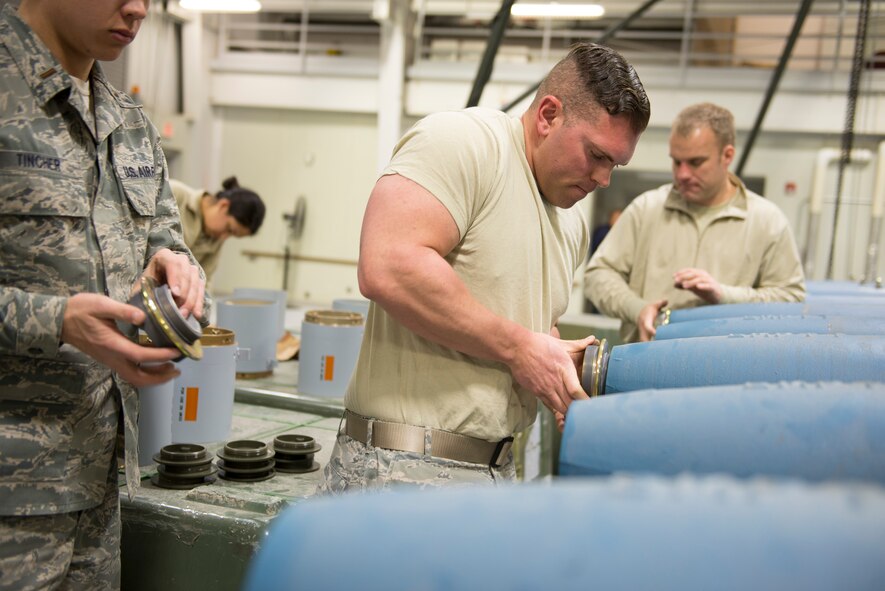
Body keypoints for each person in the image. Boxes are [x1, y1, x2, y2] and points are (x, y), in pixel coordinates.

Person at [319, 42, 650, 494]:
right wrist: (520, 349)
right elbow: (388, 265)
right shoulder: (463, 143)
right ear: (548, 115)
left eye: (615, 163)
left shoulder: (568, 219)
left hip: (495, 467)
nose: (604, 179)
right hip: (400, 467)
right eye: (596, 155)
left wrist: (552, 357)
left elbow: (518, 322)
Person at [0, 1, 208, 589]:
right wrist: (56, 321)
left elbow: (172, 247)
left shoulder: (128, 121)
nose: (139, 8)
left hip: (99, 486)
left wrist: (182, 282)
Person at [584, 102, 805, 343]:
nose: (682, 174)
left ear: (727, 155)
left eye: (696, 162)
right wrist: (638, 309)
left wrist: (724, 295)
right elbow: (598, 275)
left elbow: (790, 298)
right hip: (645, 366)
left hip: (725, 373)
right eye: (677, 162)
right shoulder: (646, 209)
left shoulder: (767, 222)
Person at [170, 176, 265, 286]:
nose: (224, 237)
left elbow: (203, 282)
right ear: (223, 205)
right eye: (229, 229)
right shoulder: (174, 194)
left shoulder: (215, 239)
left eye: (232, 235)